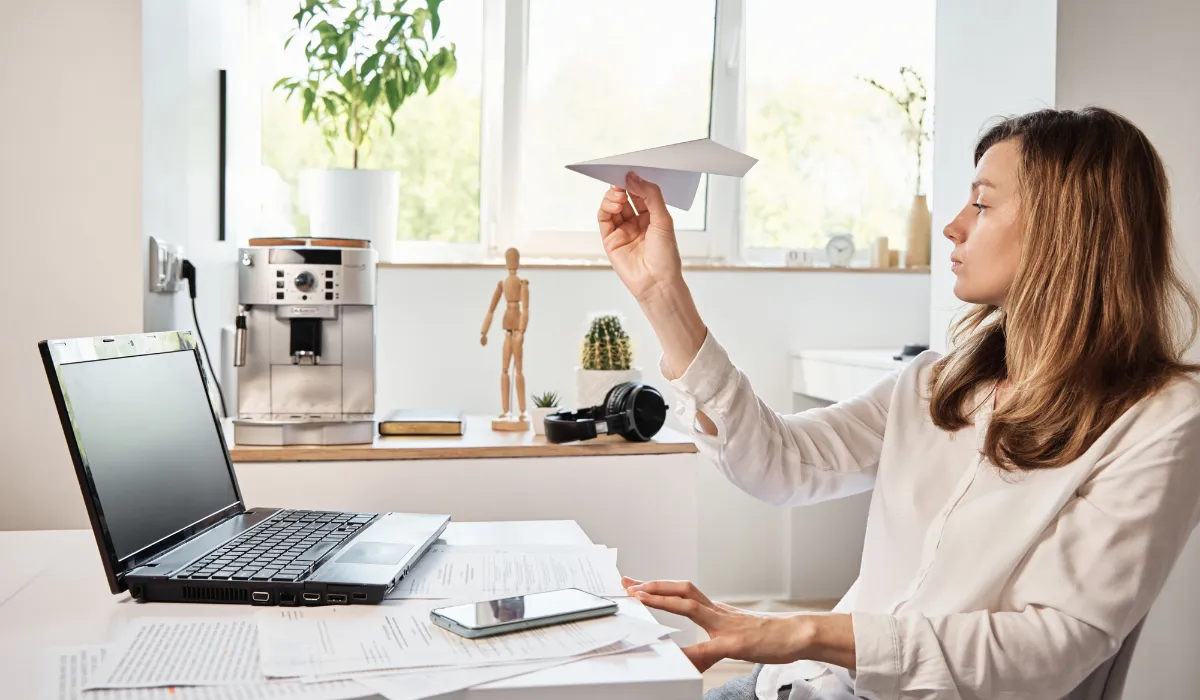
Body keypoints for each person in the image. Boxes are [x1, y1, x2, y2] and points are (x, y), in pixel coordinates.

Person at [596, 107, 1200, 700]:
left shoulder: (1161, 418)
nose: (953, 226)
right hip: (801, 685)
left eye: (982, 204)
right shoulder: (939, 381)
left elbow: (1052, 646)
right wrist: (661, 291)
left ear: (1065, 228)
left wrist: (797, 631)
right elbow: (779, 464)